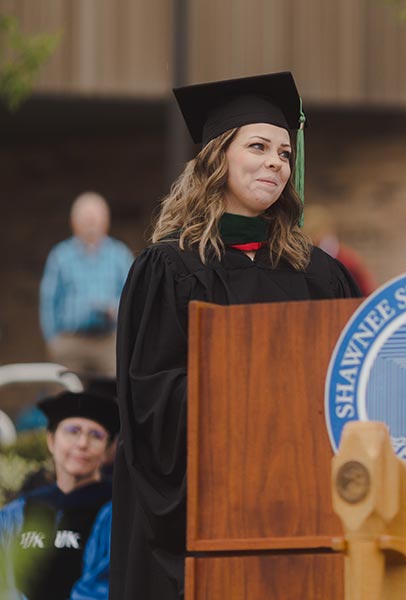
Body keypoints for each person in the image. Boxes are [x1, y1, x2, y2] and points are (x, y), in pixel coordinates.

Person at [109, 72, 362, 600]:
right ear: (217, 157)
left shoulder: (321, 275)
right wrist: (256, 398)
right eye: (258, 147)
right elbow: (151, 400)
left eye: (285, 153)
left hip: (307, 497)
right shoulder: (169, 268)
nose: (275, 162)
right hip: (214, 502)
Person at [0, 391, 118, 600]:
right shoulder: (19, 509)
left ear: (108, 450)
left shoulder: (114, 511)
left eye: (96, 435)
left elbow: (104, 585)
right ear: (51, 440)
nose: (82, 443)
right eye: (73, 431)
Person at [39, 192, 134, 379]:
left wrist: (114, 310)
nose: (91, 223)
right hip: (71, 341)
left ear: (106, 221)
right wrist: (53, 340)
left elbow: (131, 296)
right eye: (86, 218)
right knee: (66, 397)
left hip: (108, 341)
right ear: (73, 222)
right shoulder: (60, 256)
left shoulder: (119, 254)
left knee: (117, 393)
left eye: (95, 218)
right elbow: (48, 301)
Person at [302, 204, 377, 295]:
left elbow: (368, 291)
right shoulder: (304, 259)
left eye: (314, 230)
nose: (311, 235)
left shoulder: (348, 259)